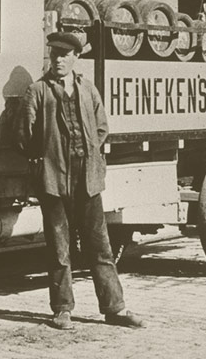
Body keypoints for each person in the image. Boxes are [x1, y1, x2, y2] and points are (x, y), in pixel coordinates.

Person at [17, 31, 145, 330]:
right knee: (59, 249)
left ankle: (115, 308)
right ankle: (62, 309)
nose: (58, 59)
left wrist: (87, 157)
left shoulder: (88, 89)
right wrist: (45, 159)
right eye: (54, 54)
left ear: (76, 57)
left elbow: (101, 128)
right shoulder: (38, 91)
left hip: (87, 177)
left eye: (65, 54)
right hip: (53, 179)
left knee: (100, 247)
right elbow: (24, 135)